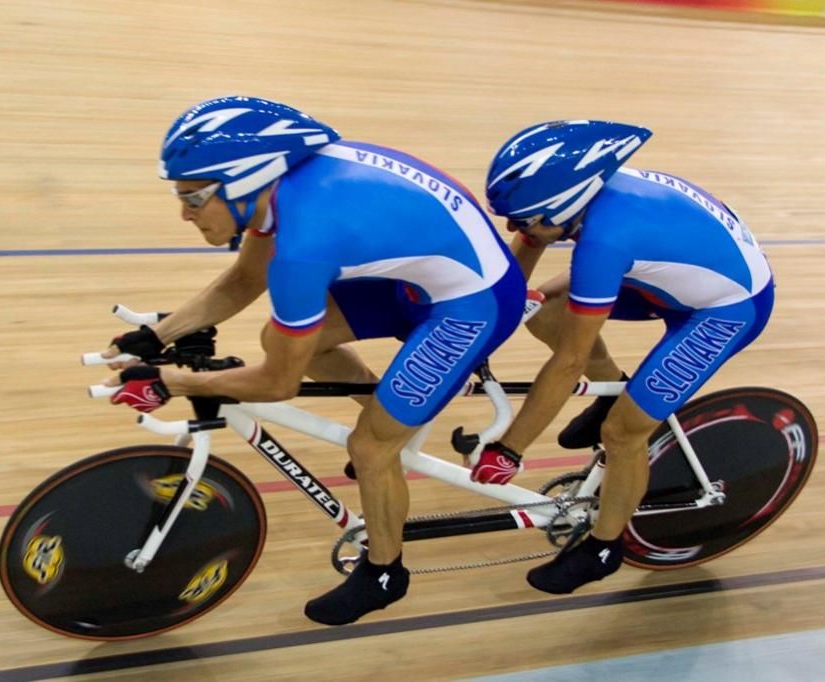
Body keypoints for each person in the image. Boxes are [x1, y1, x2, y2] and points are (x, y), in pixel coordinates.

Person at [101, 96, 527, 624]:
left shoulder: (304, 243)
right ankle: (395, 417)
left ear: (242, 181)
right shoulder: (277, 193)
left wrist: (174, 381)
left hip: (473, 303)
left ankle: (384, 572)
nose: (183, 212)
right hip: (416, 279)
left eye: (193, 197)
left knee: (369, 446)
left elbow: (278, 382)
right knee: (282, 337)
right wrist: (155, 334)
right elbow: (243, 279)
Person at [469, 120, 775, 594]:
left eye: (524, 217)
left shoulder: (602, 240)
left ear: (565, 205)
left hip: (726, 311)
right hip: (670, 274)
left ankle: (604, 547)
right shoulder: (582, 202)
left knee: (624, 433)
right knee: (542, 311)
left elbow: (569, 363)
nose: (513, 227)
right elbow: (519, 264)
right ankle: (610, 393)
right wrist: (502, 306)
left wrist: (510, 450)